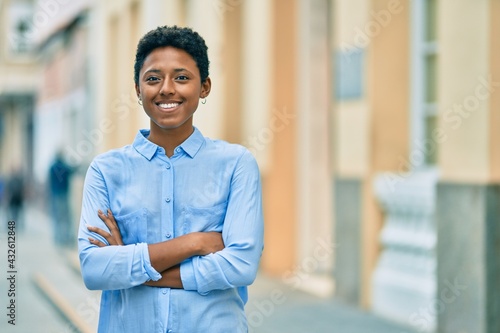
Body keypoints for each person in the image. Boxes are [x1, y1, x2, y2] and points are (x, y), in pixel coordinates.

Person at [78, 25, 264, 333]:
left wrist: (129, 261)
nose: (167, 89)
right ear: (138, 89)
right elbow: (94, 270)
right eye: (153, 78)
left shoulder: (236, 165)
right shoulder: (105, 171)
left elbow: (241, 265)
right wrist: (195, 243)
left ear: (204, 87)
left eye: (181, 77)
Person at [48, 151, 74, 246]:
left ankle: (58, 238)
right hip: (63, 194)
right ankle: (65, 237)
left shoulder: (52, 167)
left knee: (57, 217)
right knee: (65, 217)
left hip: (55, 194)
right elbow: (72, 170)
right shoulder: (64, 166)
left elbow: (49, 181)